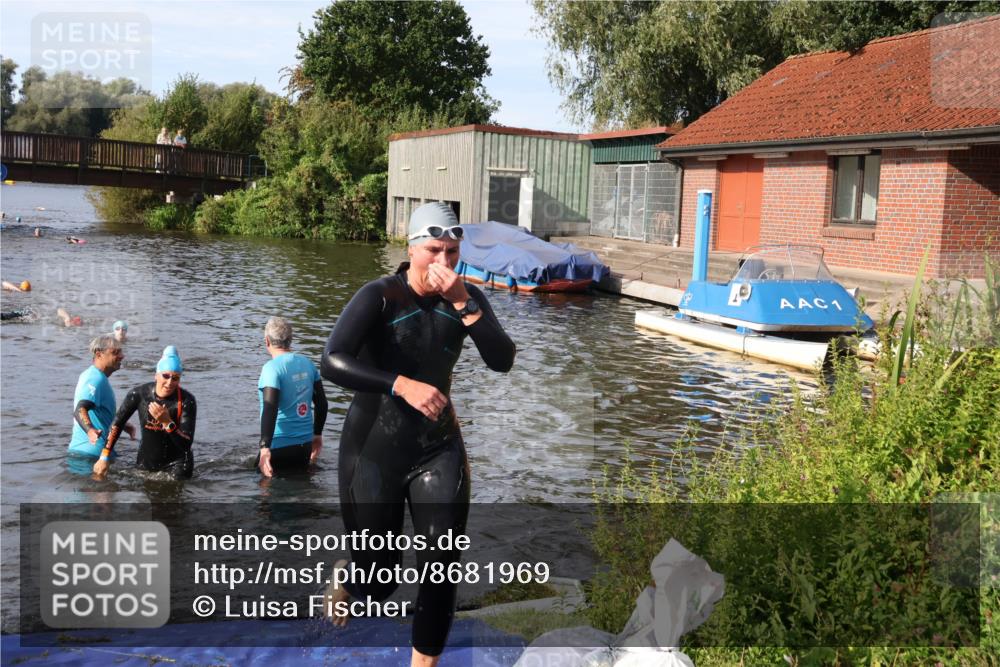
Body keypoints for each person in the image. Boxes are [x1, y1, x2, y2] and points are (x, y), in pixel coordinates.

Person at [320, 201, 516, 666]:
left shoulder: (466, 298)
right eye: (434, 250)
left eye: (452, 252)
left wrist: (465, 302)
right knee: (380, 578)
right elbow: (332, 360)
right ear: (412, 249)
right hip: (373, 447)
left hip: (437, 447)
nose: (444, 264)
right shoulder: (380, 295)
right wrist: (398, 383)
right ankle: (350, 576)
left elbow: (503, 359)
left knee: (442, 565)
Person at [93, 346, 197, 480]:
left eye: (175, 378)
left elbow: (186, 444)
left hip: (178, 465)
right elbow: (118, 424)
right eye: (165, 375)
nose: (170, 382)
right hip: (146, 462)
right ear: (156, 375)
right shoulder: (139, 394)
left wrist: (167, 423)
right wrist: (104, 457)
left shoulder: (187, 401)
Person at [256, 317, 327, 477]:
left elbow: (270, 407)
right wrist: (317, 434)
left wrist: (265, 447)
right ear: (290, 340)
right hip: (304, 448)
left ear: (267, 341)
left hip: (278, 447)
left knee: (264, 493)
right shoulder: (308, 364)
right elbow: (322, 403)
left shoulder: (271, 369)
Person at [68, 334, 135, 462]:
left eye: (121, 351)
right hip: (89, 455)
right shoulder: (94, 378)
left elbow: (100, 410)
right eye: (115, 352)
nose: (122, 356)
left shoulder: (97, 377)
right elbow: (80, 409)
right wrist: (90, 430)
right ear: (99, 355)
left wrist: (122, 424)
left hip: (93, 453)